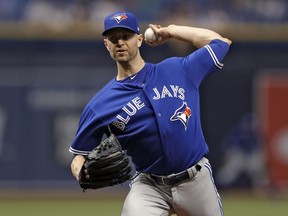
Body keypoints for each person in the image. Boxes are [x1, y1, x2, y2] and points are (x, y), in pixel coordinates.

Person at [69, 11, 231, 216]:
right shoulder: (100, 105)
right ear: (106, 44)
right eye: (113, 38)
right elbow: (79, 155)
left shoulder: (178, 69)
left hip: (196, 180)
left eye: (126, 36)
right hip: (149, 186)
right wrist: (82, 172)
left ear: (139, 39)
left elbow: (220, 43)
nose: (120, 42)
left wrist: (172, 31)